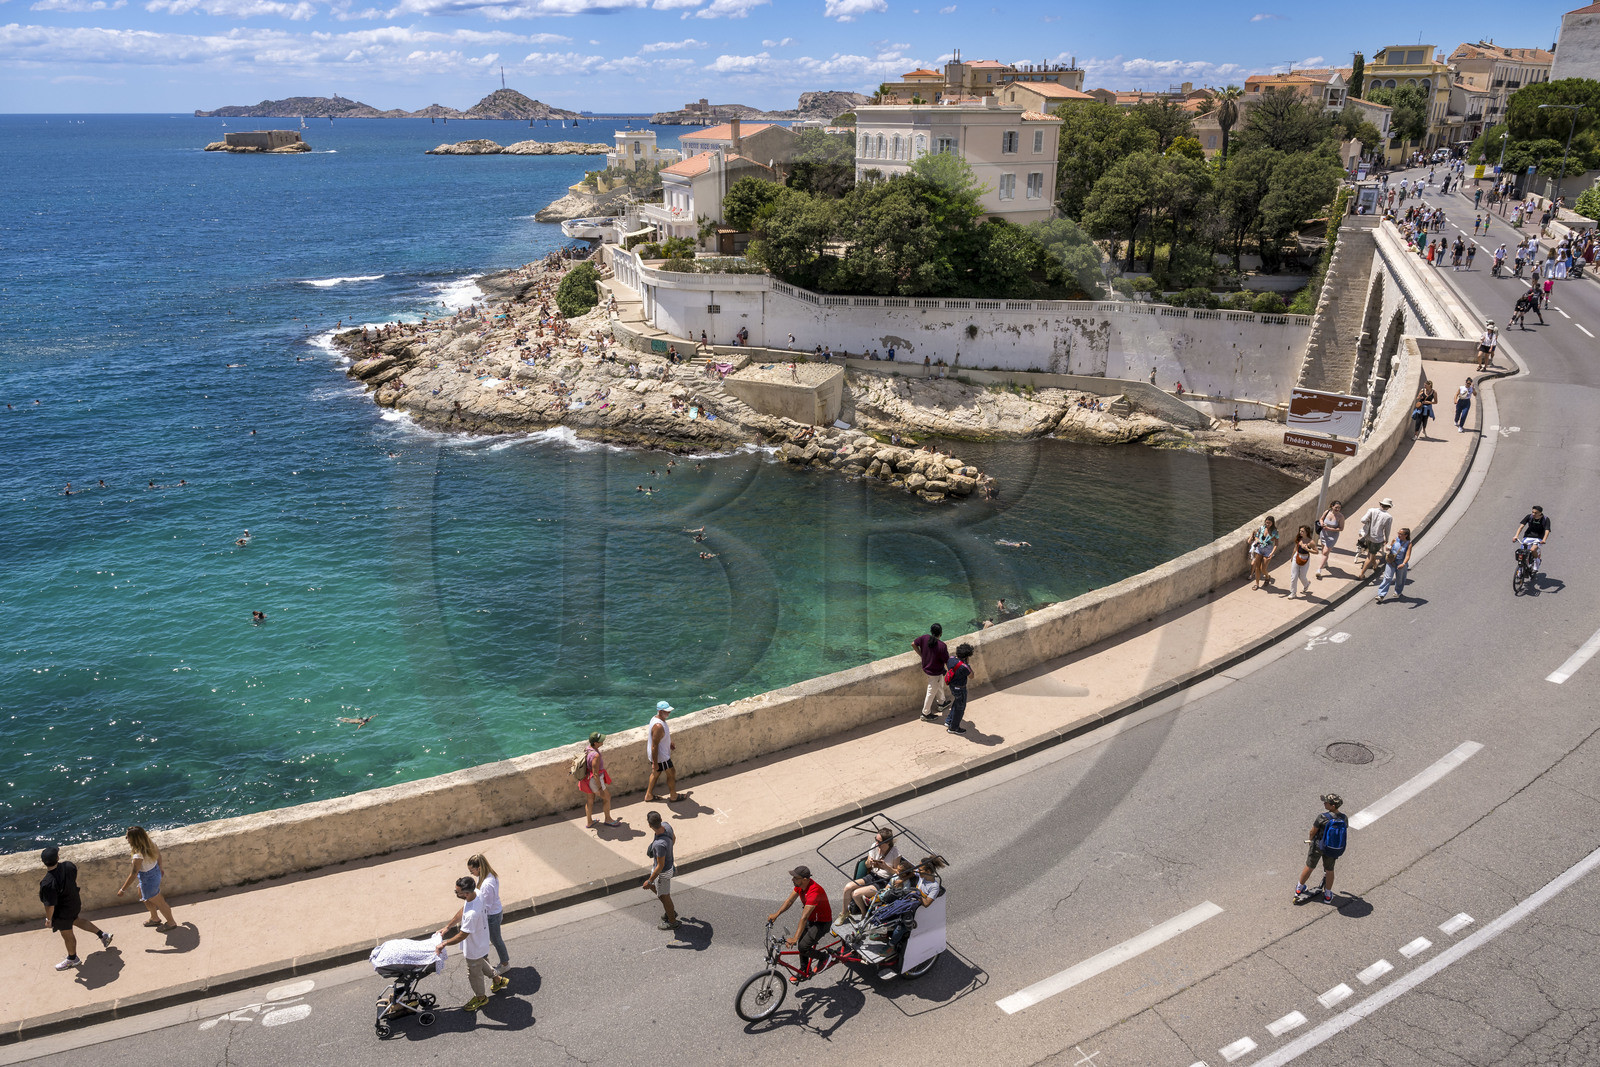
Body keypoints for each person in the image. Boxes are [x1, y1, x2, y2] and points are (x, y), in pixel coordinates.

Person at [433, 876, 505, 1011]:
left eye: (457, 892)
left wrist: (444, 944)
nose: (456, 894)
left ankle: (481, 998)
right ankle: (497, 980)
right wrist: (448, 927)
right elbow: (463, 909)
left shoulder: (472, 914)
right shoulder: (476, 893)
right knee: (480, 962)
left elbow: (462, 935)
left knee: (474, 974)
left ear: (466, 893)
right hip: (481, 942)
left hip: (474, 947)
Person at [40, 846, 113, 971]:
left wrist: (49, 919)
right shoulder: (69, 866)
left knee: (67, 934)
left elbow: (49, 905)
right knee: (76, 920)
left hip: (62, 912)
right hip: (74, 903)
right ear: (57, 858)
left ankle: (73, 959)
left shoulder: (47, 883)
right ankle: (103, 935)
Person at [767, 866, 832, 982]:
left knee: (803, 947)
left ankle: (825, 957)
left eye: (795, 878)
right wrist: (776, 914)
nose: (792, 879)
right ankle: (804, 970)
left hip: (822, 923)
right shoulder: (800, 886)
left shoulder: (814, 891)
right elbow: (789, 901)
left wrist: (795, 938)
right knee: (802, 945)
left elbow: (804, 917)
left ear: (805, 879)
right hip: (811, 919)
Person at [115, 826, 177, 930]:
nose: (126, 839)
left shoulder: (138, 855)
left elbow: (133, 874)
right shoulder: (150, 842)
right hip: (154, 873)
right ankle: (154, 918)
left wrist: (122, 890)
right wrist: (160, 867)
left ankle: (171, 923)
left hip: (148, 879)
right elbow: (158, 855)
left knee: (161, 903)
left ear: (134, 839)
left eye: (127, 837)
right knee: (143, 895)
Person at [1296, 794, 1348, 904]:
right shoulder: (1344, 818)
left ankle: (1299, 888)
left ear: (1332, 806)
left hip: (1318, 845)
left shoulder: (1322, 817)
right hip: (1332, 847)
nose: (1324, 803)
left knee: (1310, 866)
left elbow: (1312, 831)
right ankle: (1328, 895)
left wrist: (1310, 841)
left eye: (1326, 802)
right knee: (1329, 870)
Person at [841, 828, 900, 917]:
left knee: (856, 894)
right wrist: (869, 862)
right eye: (876, 839)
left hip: (883, 881)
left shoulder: (895, 852)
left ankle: (864, 914)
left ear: (887, 842)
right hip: (872, 876)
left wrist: (886, 867)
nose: (876, 843)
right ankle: (844, 913)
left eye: (879, 842)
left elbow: (897, 872)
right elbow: (867, 865)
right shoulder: (874, 846)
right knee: (848, 887)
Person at [467, 855, 510, 975]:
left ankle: (505, 964)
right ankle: (486, 963)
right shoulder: (485, 876)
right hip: (493, 913)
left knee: (496, 940)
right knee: (491, 939)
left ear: (479, 868)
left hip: (492, 916)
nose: (471, 873)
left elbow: (486, 906)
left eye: (472, 870)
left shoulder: (487, 884)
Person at [643, 811, 678, 930]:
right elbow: (674, 838)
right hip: (665, 867)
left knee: (665, 897)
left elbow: (660, 866)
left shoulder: (659, 844)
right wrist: (668, 850)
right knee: (659, 891)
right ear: (661, 820)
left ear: (649, 825)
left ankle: (672, 921)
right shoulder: (667, 826)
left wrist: (649, 881)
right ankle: (670, 911)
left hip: (663, 872)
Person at [579, 732, 619, 829]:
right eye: (600, 740)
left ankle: (589, 822)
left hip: (587, 779)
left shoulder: (588, 749)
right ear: (595, 743)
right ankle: (608, 819)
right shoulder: (596, 755)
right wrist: (600, 788)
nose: (602, 741)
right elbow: (595, 774)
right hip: (594, 780)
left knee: (590, 800)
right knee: (607, 797)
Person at [912, 623, 950, 721]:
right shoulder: (942, 646)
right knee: (931, 692)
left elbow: (913, 644)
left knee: (939, 685)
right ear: (941, 633)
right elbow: (947, 661)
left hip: (927, 669)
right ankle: (925, 713)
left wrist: (921, 655)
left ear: (931, 631)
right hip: (935, 672)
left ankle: (941, 703)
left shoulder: (924, 638)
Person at [644, 700, 680, 802]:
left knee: (655, 774)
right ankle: (673, 796)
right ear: (660, 711)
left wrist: (669, 742)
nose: (669, 713)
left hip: (659, 756)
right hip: (661, 757)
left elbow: (661, 737)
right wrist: (655, 763)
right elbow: (654, 746)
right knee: (671, 773)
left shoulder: (656, 719)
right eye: (667, 711)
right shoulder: (658, 726)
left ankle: (648, 795)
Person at [1355, 498, 1395, 580]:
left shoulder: (1371, 510)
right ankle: (1362, 574)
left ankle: (1375, 565)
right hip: (1377, 539)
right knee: (1370, 555)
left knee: (1372, 553)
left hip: (1368, 536)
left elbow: (1363, 520)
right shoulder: (1388, 517)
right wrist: (1387, 538)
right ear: (1389, 507)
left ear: (1381, 504)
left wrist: (1369, 521)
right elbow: (1387, 530)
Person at [1374, 526, 1413, 602]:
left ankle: (1398, 592)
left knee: (1400, 579)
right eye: (1398, 533)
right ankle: (1381, 595)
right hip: (1391, 562)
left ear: (1406, 535)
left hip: (1401, 562)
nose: (1399, 535)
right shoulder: (1395, 539)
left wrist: (1403, 564)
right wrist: (1388, 548)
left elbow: (1407, 556)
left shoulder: (1408, 544)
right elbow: (1391, 547)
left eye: (1401, 534)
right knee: (1387, 578)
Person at [943, 642, 974, 734]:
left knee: (957, 702)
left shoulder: (951, 659)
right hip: (960, 689)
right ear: (966, 656)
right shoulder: (964, 667)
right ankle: (953, 728)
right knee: (960, 708)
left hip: (952, 686)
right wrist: (968, 664)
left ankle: (949, 720)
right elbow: (971, 676)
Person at [1514, 505, 1552, 576]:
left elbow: (1547, 530)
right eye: (1532, 512)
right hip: (1528, 536)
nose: (1533, 514)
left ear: (1540, 513)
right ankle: (1520, 569)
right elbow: (1521, 526)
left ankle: (1537, 562)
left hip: (1538, 538)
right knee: (1522, 553)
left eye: (1535, 513)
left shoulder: (1546, 519)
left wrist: (1544, 539)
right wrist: (1516, 536)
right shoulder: (1529, 517)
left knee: (1532, 549)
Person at [1315, 500, 1344, 579]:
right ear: (1332, 506)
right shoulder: (1327, 512)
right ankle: (1325, 562)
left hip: (1332, 537)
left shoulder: (1341, 517)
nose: (1337, 509)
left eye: (1339, 508)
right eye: (1336, 507)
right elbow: (1321, 519)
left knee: (1325, 552)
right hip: (1323, 534)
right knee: (1323, 550)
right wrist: (1322, 523)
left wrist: (1330, 529)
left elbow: (1341, 528)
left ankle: (1319, 569)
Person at [1248, 515, 1279, 590]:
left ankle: (1267, 577)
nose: (1267, 524)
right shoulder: (1261, 528)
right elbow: (1256, 536)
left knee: (1263, 569)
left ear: (1272, 523)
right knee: (1257, 567)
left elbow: (1276, 544)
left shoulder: (1275, 532)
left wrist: (1272, 553)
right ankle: (1257, 584)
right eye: (1266, 522)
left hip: (1268, 550)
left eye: (1269, 523)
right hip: (1259, 549)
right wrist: (1257, 540)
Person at [1289, 525, 1314, 599]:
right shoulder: (1299, 538)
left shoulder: (1310, 541)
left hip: (1305, 558)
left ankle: (1306, 584)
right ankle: (1293, 593)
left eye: (1302, 531)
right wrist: (1292, 556)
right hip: (1296, 557)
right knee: (1294, 576)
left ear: (1307, 532)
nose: (1300, 532)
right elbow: (1295, 547)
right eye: (1300, 531)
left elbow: (1315, 551)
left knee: (1302, 576)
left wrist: (1308, 549)